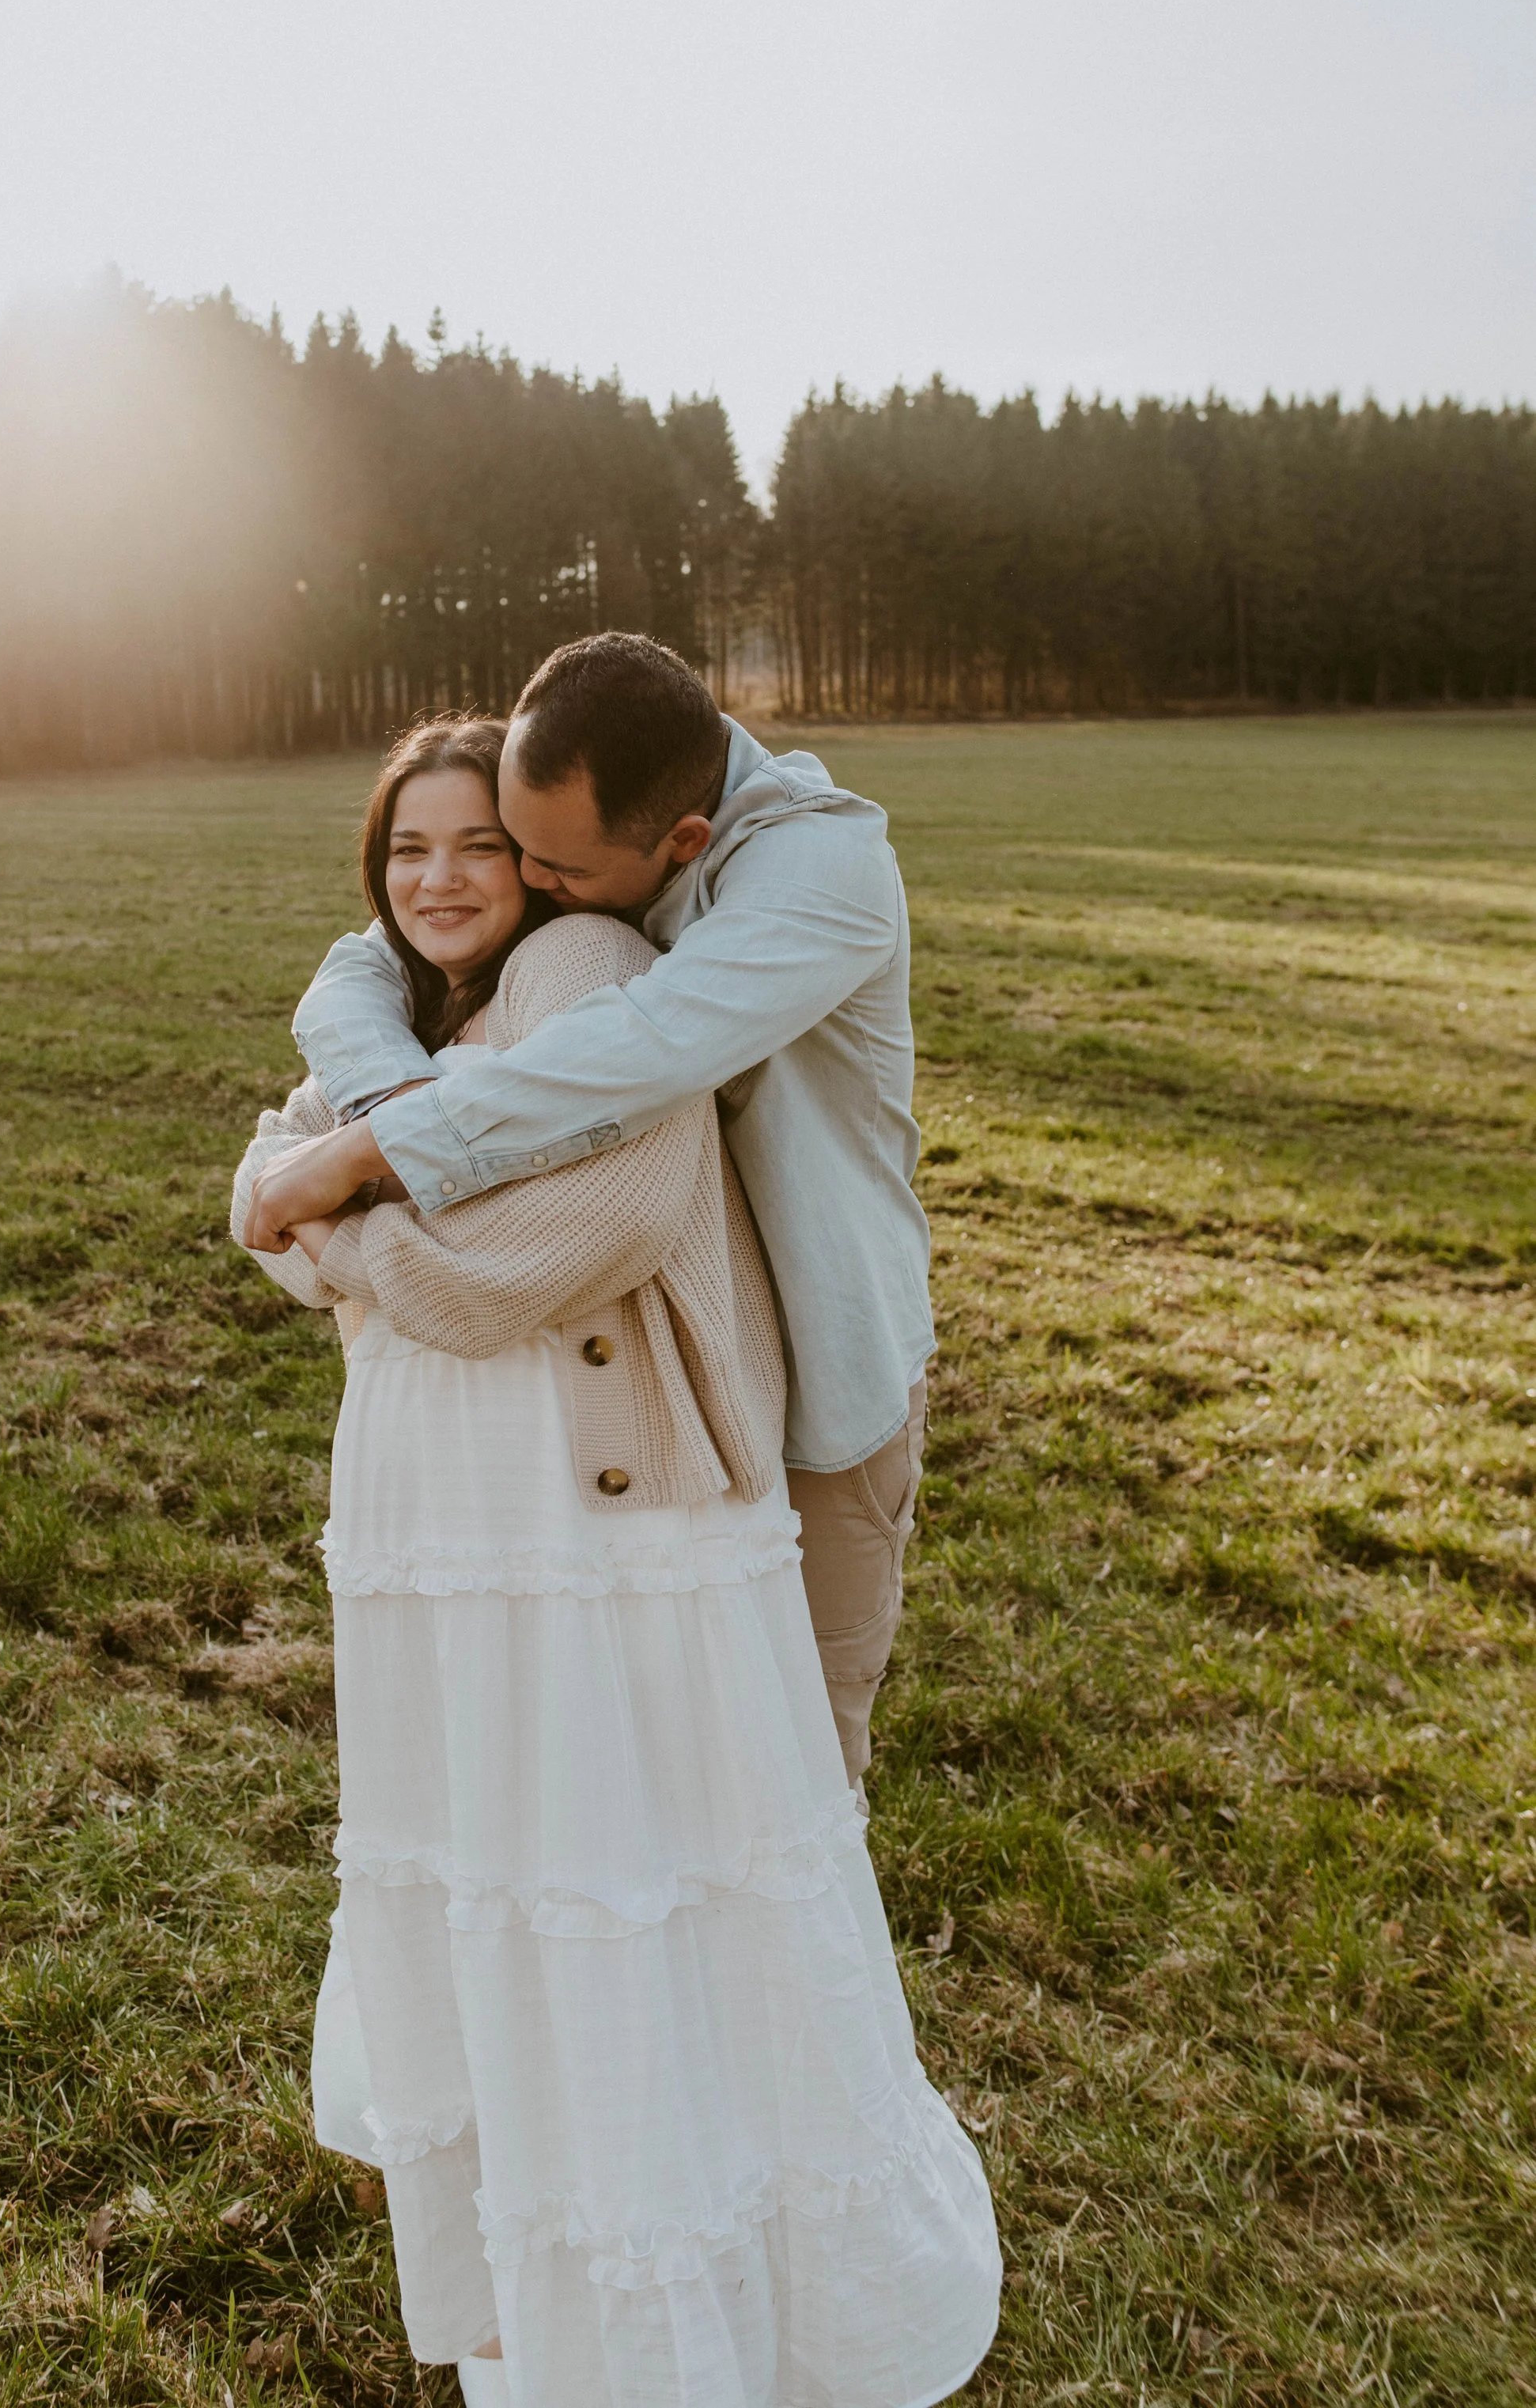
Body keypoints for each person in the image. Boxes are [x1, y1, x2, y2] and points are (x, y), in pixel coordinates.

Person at [233, 714, 999, 2406]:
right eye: (406, 849)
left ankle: (694, 2300)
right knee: (505, 1895)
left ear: (553, 859)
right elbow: (252, 1177)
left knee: (630, 1887)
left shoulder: (591, 960)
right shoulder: (403, 996)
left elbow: (551, 1251)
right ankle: (539, 2291)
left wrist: (344, 1226)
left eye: (483, 848)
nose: (443, 878)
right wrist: (311, 1197)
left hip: (598, 1523)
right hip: (448, 1538)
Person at [244, 632, 934, 1789]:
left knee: (799, 1754)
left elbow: (631, 1058)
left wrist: (361, 1158)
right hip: (667, 1369)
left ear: (681, 847)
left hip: (825, 1364)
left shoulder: (820, 881)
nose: (524, 884)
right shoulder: (586, 824)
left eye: (547, 868)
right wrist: (385, 1089)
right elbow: (371, 954)